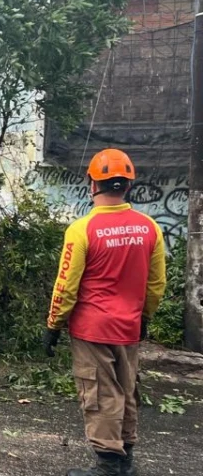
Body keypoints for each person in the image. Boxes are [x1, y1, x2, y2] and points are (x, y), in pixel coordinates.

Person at [43, 148, 166, 476]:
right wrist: (145, 318)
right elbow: (156, 284)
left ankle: (107, 465)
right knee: (127, 390)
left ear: (92, 184)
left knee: (100, 394)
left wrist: (53, 325)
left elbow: (65, 286)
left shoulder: (82, 230)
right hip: (129, 328)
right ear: (128, 185)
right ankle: (125, 458)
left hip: (92, 330)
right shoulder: (150, 228)